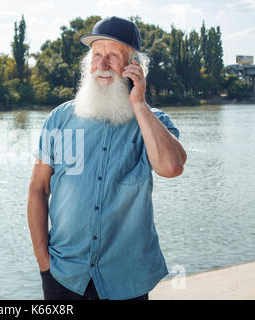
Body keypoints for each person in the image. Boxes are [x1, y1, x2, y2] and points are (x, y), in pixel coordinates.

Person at [27, 16, 187, 300]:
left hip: (126, 280)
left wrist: (138, 103)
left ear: (133, 65)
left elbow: (172, 167)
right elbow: (38, 189)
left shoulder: (154, 122)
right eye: (97, 54)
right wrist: (44, 265)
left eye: (113, 55)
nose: (102, 65)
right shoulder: (59, 119)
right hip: (65, 276)